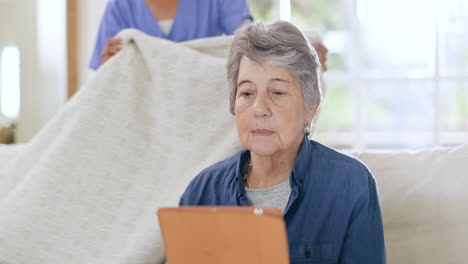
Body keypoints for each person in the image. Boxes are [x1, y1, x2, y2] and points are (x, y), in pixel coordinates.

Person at [179, 21, 385, 263]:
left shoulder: (351, 184)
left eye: (277, 92)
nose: (259, 109)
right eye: (247, 93)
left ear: (311, 108)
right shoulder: (202, 192)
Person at [89, 0, 253, 69]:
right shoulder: (121, 6)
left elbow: (250, 46)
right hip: (142, 113)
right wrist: (110, 65)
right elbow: (105, 73)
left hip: (202, 105)